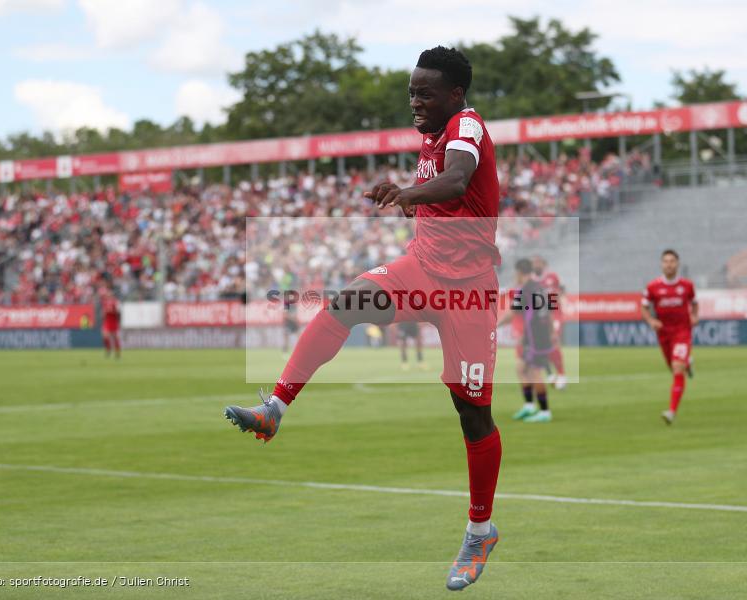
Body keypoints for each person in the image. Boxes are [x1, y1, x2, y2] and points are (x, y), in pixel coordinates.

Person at [224, 46, 501, 590]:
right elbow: (439, 192)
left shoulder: (466, 124)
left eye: (425, 92)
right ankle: (275, 407)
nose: (415, 101)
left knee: (472, 416)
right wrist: (405, 196)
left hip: (468, 290)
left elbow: (457, 181)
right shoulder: (431, 132)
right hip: (421, 269)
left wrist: (409, 193)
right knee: (344, 305)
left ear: (456, 94)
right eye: (411, 91)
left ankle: (480, 531)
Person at [640, 249, 698, 425]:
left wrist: (694, 316)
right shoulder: (653, 287)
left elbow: (694, 303)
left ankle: (671, 411)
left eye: (672, 261)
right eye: (665, 261)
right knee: (673, 367)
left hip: (682, 332)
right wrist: (651, 321)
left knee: (677, 367)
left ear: (677, 264)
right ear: (661, 264)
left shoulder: (687, 286)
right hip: (664, 333)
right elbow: (643, 306)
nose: (669, 264)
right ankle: (688, 361)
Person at [502, 258, 555, 423]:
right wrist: (552, 331)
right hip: (538, 335)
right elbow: (549, 311)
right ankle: (529, 406)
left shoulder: (524, 290)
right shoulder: (540, 287)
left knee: (534, 372)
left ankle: (545, 411)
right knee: (521, 368)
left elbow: (512, 313)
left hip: (535, 337)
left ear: (519, 272)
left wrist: (494, 325)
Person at [531, 256, 566, 390]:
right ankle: (551, 375)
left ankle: (561, 375)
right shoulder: (531, 281)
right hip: (540, 318)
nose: (536, 265)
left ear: (543, 264)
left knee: (553, 341)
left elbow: (561, 290)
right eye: (534, 263)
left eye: (538, 263)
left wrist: (558, 297)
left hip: (555, 314)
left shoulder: (553, 277)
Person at [100, 288, 121, 359]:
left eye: (110, 294)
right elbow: (104, 312)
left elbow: (118, 312)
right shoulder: (105, 302)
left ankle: (117, 353)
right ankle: (108, 350)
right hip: (107, 321)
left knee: (115, 338)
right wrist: (104, 313)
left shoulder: (116, 302)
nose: (108, 295)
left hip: (114, 321)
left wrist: (112, 311)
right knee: (105, 337)